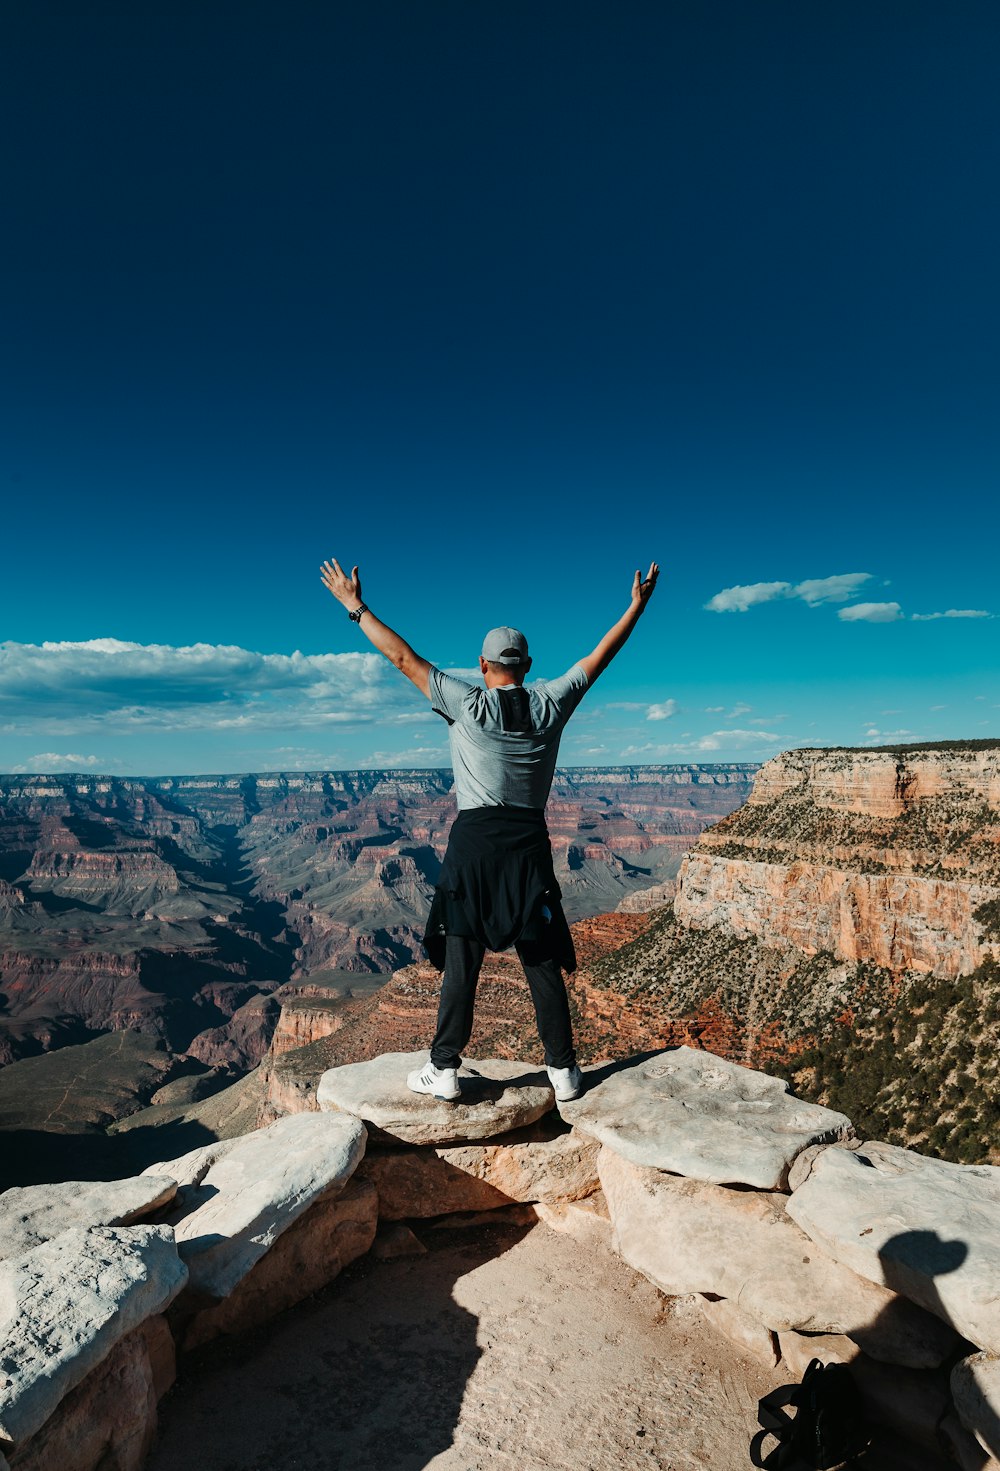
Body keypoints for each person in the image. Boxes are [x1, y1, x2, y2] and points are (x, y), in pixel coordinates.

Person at [319, 556, 660, 1102]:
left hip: (474, 846)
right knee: (540, 955)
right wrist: (636, 606)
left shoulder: (466, 703)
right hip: (527, 845)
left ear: (483, 665)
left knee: (464, 954)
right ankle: (564, 1071)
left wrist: (354, 607)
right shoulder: (552, 703)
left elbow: (403, 657)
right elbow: (599, 657)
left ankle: (445, 1068)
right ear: (527, 665)